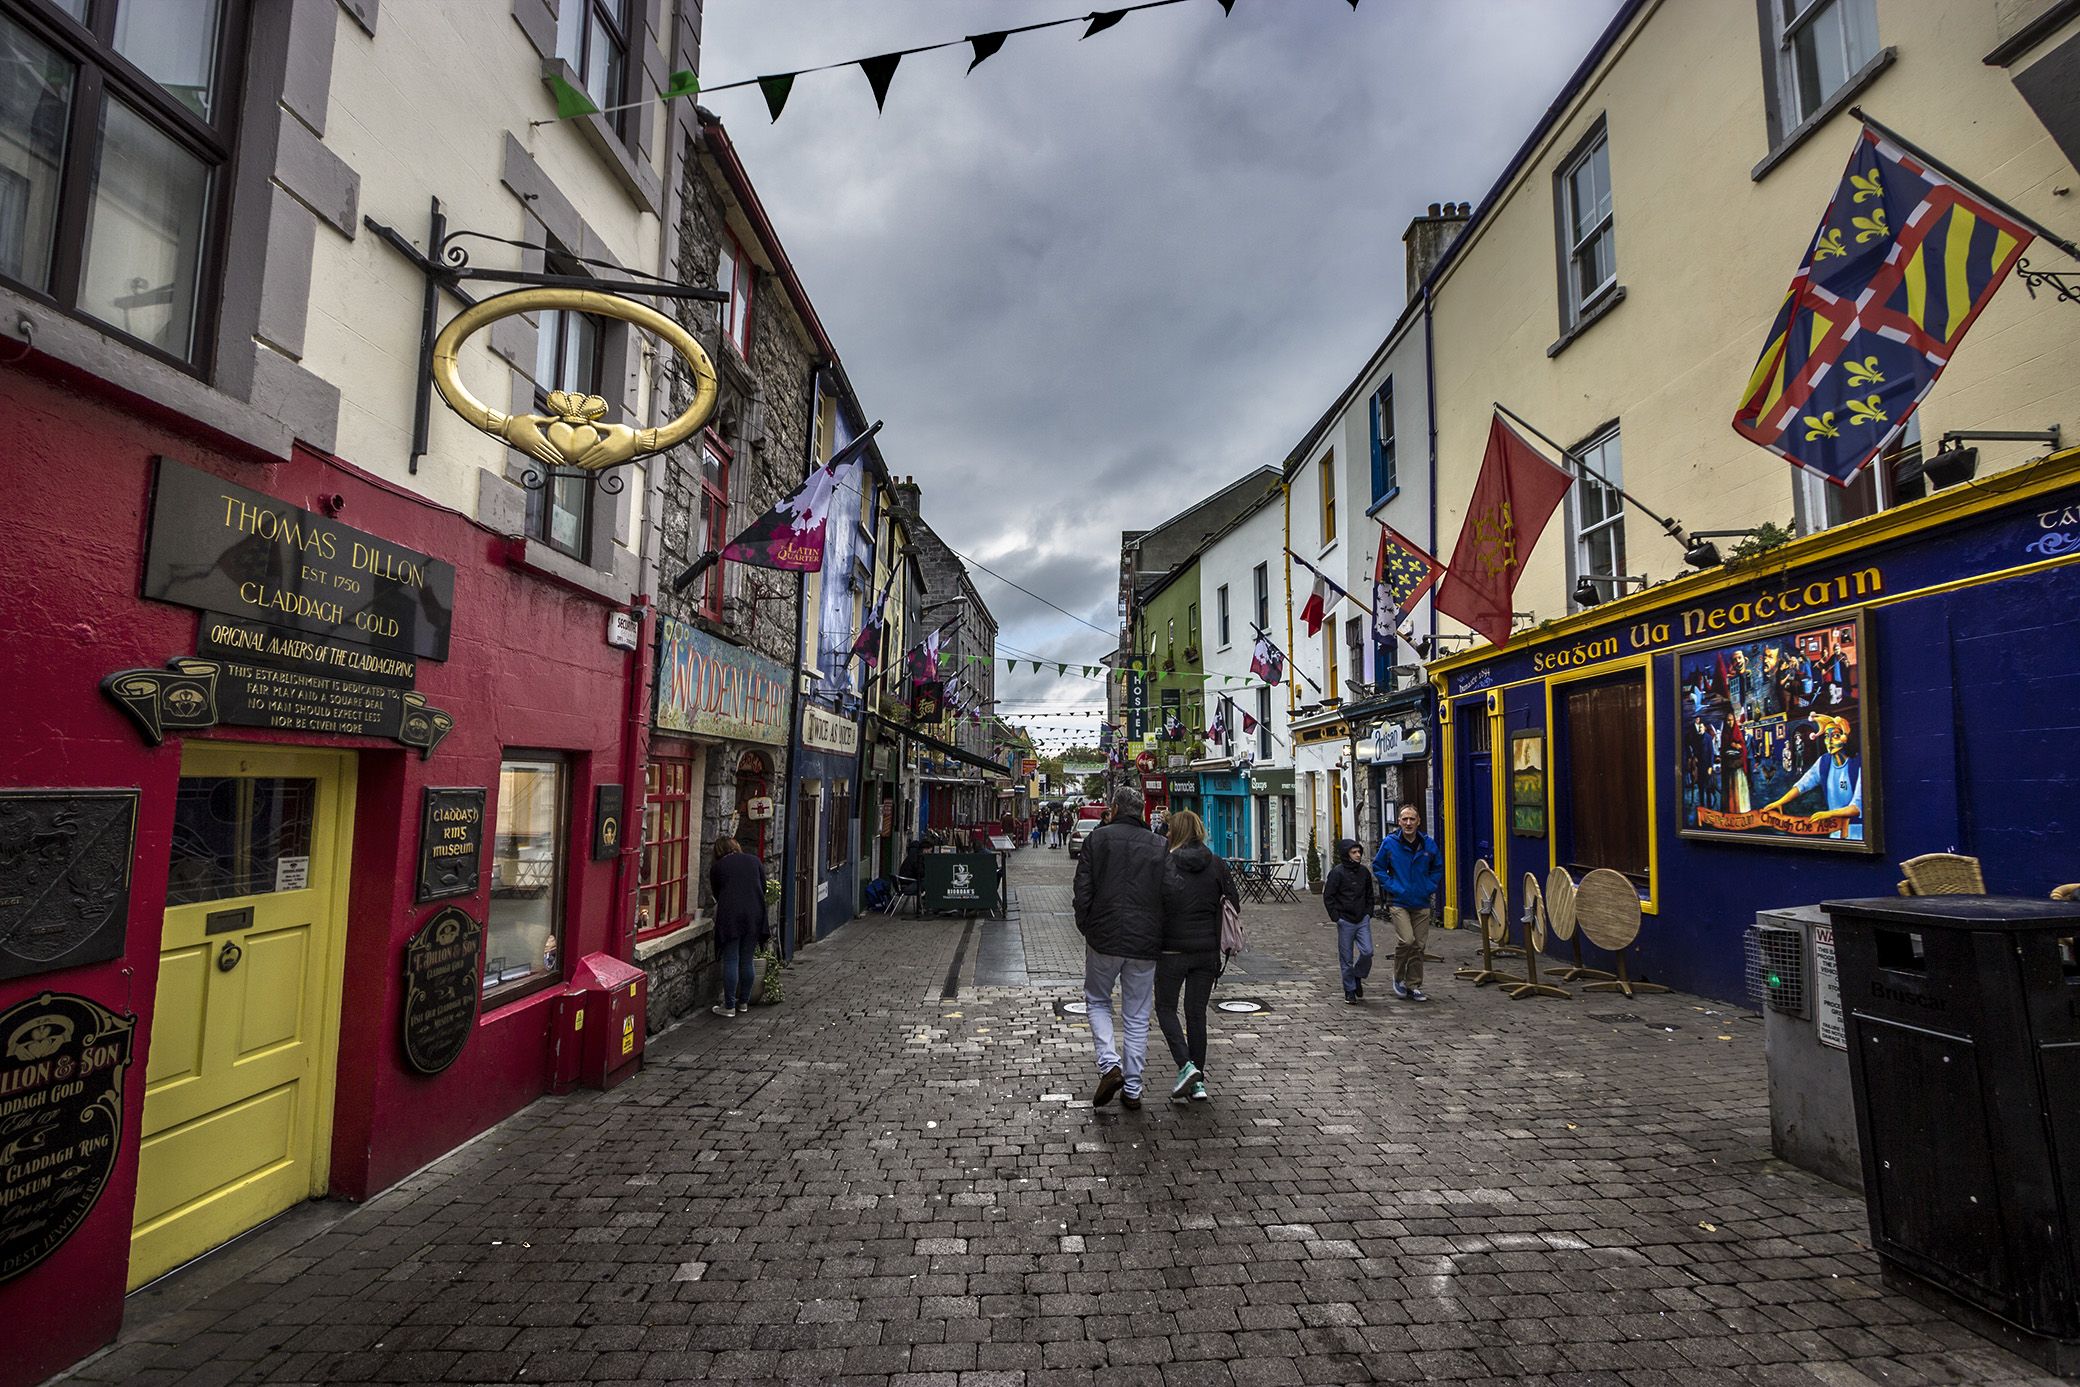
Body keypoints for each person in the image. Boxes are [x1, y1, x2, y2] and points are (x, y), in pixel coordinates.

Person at [1072, 785, 1166, 1109]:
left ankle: (1110, 1064)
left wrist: (1087, 925)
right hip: (1145, 942)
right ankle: (1133, 1089)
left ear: (1113, 809)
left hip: (1104, 937)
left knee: (1097, 1000)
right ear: (1142, 812)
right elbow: (1168, 893)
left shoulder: (1097, 840)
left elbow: (1082, 888)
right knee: (1137, 1014)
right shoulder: (1159, 845)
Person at [1155, 809, 1237, 1101]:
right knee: (1196, 1014)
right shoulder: (1216, 863)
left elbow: (1154, 904)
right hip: (1206, 952)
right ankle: (1198, 1082)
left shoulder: (1164, 864)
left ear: (1175, 833)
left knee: (1165, 1008)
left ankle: (1186, 1065)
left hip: (1171, 950)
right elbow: (1233, 904)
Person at [1372, 807, 1444, 1002]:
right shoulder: (1390, 843)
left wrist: (1428, 886)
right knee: (1407, 940)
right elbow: (1378, 867)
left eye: (1412, 819)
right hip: (1399, 901)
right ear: (1399, 821)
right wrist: (1392, 886)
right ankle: (1398, 977)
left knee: (1419, 946)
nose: (1408, 823)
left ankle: (1413, 985)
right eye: (1405, 819)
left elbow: (1437, 867)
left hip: (1421, 901)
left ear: (1418, 821)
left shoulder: (1427, 844)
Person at [709, 836, 768, 1017]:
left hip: (731, 916)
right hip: (754, 914)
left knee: (732, 960)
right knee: (747, 959)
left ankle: (729, 1006)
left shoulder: (718, 868)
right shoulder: (754, 860)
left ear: (718, 851)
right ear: (736, 846)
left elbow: (717, 893)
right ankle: (743, 1002)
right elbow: (763, 886)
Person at [1322, 838, 1376, 1003]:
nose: (1358, 855)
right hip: (1345, 920)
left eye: (1359, 852)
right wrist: (1336, 917)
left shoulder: (1364, 873)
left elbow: (1369, 894)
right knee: (1346, 958)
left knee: (1368, 951)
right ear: (1346, 854)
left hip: (1362, 919)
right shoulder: (1337, 873)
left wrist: (1368, 913)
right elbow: (1328, 896)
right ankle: (1350, 990)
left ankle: (1358, 975)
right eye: (1354, 852)